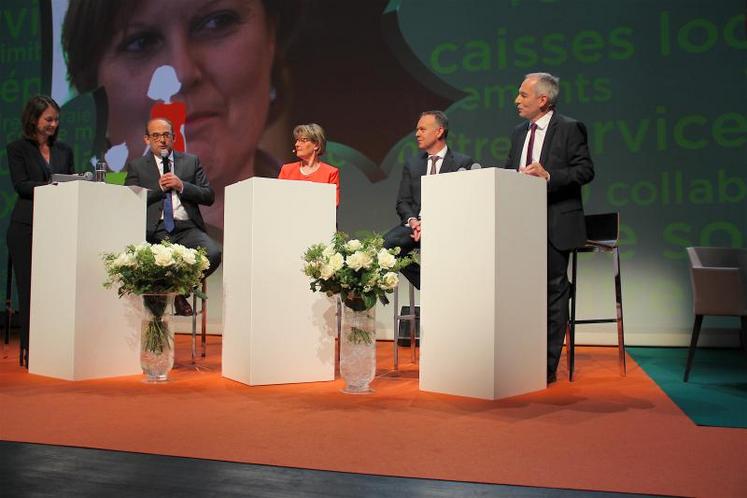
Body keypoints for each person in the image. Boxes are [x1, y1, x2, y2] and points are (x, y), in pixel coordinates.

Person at [62, 0, 304, 233]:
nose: (182, 72)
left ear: (271, 35)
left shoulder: (333, 230)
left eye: (217, 22)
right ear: (93, 88)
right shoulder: (53, 252)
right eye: (141, 43)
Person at [503, 72, 595, 384]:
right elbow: (508, 172)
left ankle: (546, 365)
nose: (517, 100)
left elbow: (585, 170)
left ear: (542, 100)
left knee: (554, 291)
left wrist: (549, 176)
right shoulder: (518, 132)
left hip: (555, 221)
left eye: (523, 95)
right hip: (520, 226)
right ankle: (520, 356)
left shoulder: (569, 128)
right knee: (521, 291)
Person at [124, 118, 222, 315]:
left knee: (212, 253)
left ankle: (178, 291)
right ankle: (171, 296)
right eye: (156, 135)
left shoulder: (190, 162)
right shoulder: (137, 166)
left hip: (187, 228)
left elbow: (208, 196)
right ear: (146, 139)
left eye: (166, 135)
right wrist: (158, 189)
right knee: (148, 265)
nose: (162, 140)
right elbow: (129, 201)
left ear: (174, 138)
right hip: (155, 230)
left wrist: (182, 186)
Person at [6, 95, 75, 366]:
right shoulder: (17, 149)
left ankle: (56, 347)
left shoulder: (64, 150)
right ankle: (30, 348)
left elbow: (72, 180)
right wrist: (53, 187)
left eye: (56, 120)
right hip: (27, 227)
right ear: (34, 120)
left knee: (58, 288)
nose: (53, 124)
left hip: (58, 227)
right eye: (49, 119)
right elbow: (22, 186)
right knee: (30, 289)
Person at [383, 111, 474, 289]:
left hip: (447, 227)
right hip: (415, 228)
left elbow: (464, 205)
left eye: (422, 129)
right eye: (417, 130)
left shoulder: (463, 163)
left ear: (439, 131)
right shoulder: (413, 163)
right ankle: (430, 284)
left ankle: (450, 285)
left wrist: (432, 224)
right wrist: (414, 222)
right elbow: (403, 202)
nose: (417, 134)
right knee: (387, 245)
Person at [278, 124, 340, 206]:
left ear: (316, 145)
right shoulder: (287, 170)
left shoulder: (330, 173)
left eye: (303, 140)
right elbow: (278, 198)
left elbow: (333, 204)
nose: (297, 144)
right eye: (297, 140)